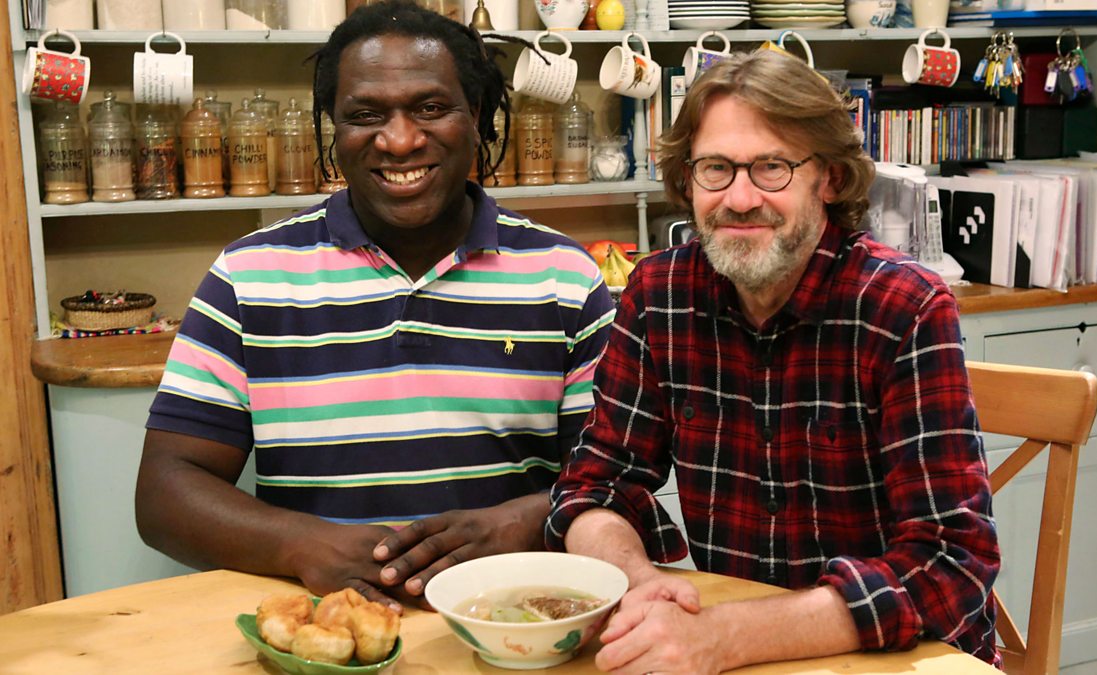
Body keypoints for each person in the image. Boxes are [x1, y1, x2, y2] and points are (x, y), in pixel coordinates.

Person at [136, 0, 613, 611]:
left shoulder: (563, 277)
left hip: (520, 623)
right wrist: (300, 544)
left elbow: (612, 479)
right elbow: (165, 493)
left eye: (431, 108)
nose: (400, 140)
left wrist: (518, 523)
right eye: (365, 115)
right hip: (327, 633)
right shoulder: (250, 277)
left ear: (480, 119)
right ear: (332, 129)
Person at [546, 49, 1001, 673]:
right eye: (715, 169)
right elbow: (593, 487)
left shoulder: (905, 307)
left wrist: (726, 637)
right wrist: (637, 580)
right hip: (735, 654)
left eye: (772, 168)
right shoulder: (658, 296)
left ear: (831, 178)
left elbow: (951, 566)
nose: (739, 198)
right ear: (687, 180)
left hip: (898, 658)